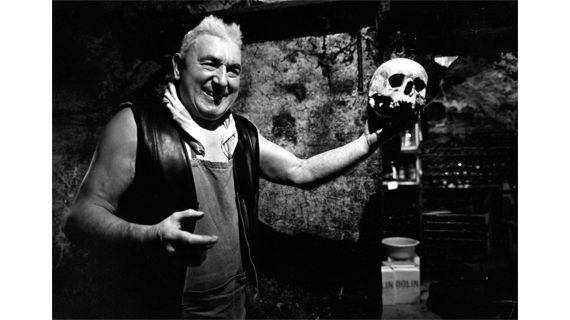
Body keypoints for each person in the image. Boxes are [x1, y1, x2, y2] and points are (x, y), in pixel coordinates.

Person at [63, 15, 415, 319]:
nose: (222, 81)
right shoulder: (136, 126)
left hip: (235, 306)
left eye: (233, 70)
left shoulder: (242, 134)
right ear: (177, 66)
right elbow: (79, 218)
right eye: (210, 64)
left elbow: (302, 171)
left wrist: (369, 141)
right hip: (164, 308)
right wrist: (150, 234)